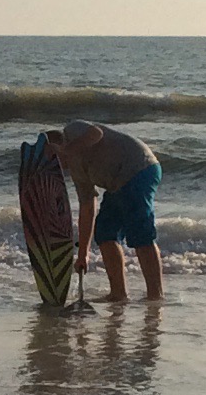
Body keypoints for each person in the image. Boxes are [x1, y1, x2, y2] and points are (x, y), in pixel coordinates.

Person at [49, 119, 163, 302]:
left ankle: (155, 295)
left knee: (140, 233)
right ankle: (118, 293)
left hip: (140, 167)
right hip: (117, 184)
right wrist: (83, 254)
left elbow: (96, 133)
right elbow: (87, 208)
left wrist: (66, 150)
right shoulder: (76, 173)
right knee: (105, 232)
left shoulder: (72, 131)